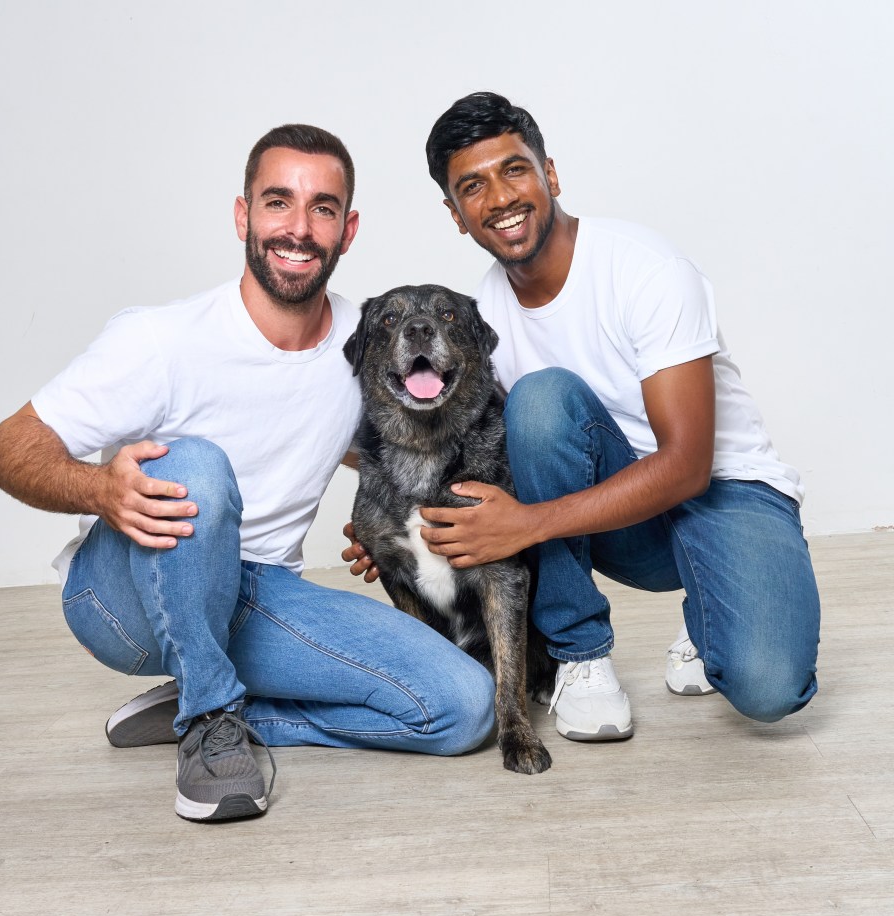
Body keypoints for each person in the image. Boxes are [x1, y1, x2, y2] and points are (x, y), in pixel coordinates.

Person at [0, 124, 495, 823]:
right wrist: (101, 489)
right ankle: (211, 721)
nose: (298, 228)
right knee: (195, 464)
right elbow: (6, 449)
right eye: (278, 202)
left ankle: (215, 696)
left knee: (466, 709)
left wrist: (389, 529)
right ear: (242, 215)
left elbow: (386, 448)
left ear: (348, 230)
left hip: (263, 594)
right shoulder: (161, 340)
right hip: (124, 597)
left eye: (322, 209)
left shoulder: (367, 344)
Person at [351, 92, 820, 743]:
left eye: (515, 170)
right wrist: (396, 528)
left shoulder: (646, 270)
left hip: (724, 490)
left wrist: (528, 523)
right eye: (473, 186)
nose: (500, 197)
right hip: (616, 514)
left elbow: (686, 466)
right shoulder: (480, 313)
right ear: (456, 214)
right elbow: (485, 450)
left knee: (770, 690)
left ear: (551, 173)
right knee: (535, 413)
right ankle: (582, 657)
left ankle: (714, 604)